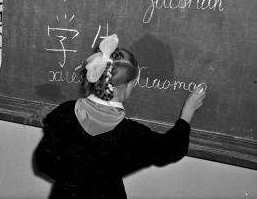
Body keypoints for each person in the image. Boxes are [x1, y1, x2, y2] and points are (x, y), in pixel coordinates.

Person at [34, 34, 206, 199]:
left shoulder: (65, 113)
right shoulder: (131, 135)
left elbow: (44, 162)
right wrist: (187, 112)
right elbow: (171, 148)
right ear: (131, 84)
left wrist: (74, 178)